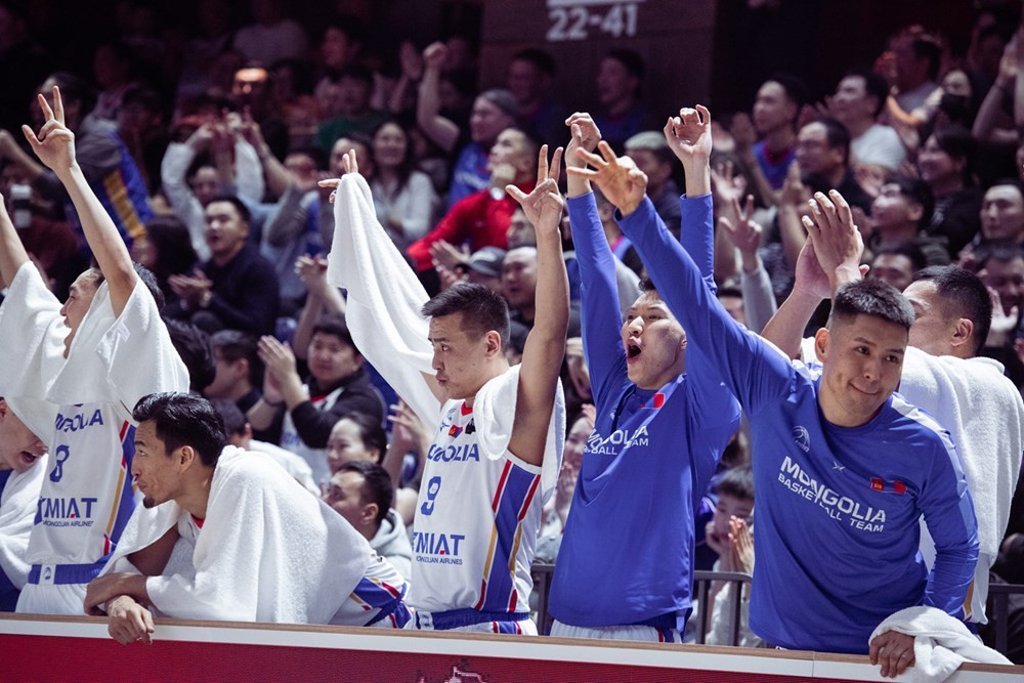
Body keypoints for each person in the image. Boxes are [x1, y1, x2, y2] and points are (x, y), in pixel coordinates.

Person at [568, 113, 978, 672]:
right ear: (823, 345)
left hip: (877, 660)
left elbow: (960, 547)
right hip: (777, 655)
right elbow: (697, 304)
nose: (874, 372)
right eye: (861, 351)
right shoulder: (774, 389)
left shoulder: (925, 443)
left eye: (892, 358)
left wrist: (925, 624)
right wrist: (637, 211)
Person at [321, 144, 568, 634]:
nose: (434, 361)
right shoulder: (452, 406)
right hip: (428, 624)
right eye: (433, 346)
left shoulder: (515, 404)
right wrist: (357, 219)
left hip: (491, 625)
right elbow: (394, 316)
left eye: (446, 348)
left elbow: (549, 335)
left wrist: (547, 235)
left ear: (491, 343)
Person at [764, 201, 1022, 631]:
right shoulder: (904, 380)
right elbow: (768, 369)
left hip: (930, 612)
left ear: (960, 331)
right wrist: (807, 292)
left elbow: (865, 350)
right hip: (857, 606)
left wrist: (845, 273)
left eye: (910, 315)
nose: (894, 325)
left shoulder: (985, 385)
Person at [548, 110, 740, 643]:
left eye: (653, 317)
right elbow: (595, 273)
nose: (633, 323)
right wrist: (579, 180)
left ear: (686, 337)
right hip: (564, 619)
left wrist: (696, 172)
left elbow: (698, 291)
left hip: (642, 624)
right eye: (632, 315)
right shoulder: (614, 388)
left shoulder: (701, 407)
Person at [0, 86, 188, 615]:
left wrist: (69, 171)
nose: (61, 309)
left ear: (108, 308)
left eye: (73, 296)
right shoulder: (66, 383)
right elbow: (22, 287)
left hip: (97, 590)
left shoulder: (145, 375)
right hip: (39, 585)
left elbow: (121, 272)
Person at [84, 392, 409, 641]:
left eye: (142, 451)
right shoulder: (167, 495)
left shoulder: (246, 475)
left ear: (183, 458)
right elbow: (112, 583)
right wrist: (121, 601)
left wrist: (131, 586)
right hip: (324, 633)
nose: (134, 467)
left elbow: (222, 605)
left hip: (376, 614)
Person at [248, 314, 385, 487]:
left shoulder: (365, 399)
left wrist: (289, 377)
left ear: (357, 360)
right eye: (317, 346)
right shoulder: (300, 390)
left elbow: (316, 434)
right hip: (287, 486)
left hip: (333, 492)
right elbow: (256, 431)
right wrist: (271, 400)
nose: (323, 356)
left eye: (334, 349)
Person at [166, 195, 280, 336]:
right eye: (209, 221)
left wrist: (208, 299)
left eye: (223, 220)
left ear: (244, 229)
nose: (214, 227)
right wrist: (188, 302)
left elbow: (258, 326)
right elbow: (165, 317)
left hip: (248, 346)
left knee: (203, 320)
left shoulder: (259, 269)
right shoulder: (201, 269)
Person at [325, 460, 413, 582]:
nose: (324, 501)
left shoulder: (393, 576)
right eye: (328, 490)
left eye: (336, 495)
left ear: (368, 513)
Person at [0, 398, 47, 611]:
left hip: (18, 622)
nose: (44, 445)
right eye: (38, 428)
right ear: (3, 412)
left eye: (50, 433)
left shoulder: (53, 481)